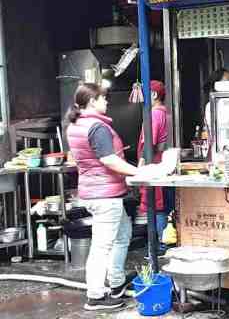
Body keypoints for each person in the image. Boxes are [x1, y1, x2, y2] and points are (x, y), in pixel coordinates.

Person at [66, 83, 139, 311]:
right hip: (105, 196)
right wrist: (140, 172)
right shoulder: (96, 127)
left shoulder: (75, 125)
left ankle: (116, 281)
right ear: (92, 101)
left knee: (123, 234)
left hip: (94, 192)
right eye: (103, 98)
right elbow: (109, 160)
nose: (106, 102)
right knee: (102, 246)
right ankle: (96, 296)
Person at [138, 80, 170, 254]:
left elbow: (150, 142)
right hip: (158, 164)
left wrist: (141, 165)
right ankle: (159, 245)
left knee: (157, 206)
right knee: (158, 205)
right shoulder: (162, 112)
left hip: (154, 165)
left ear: (154, 95)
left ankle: (159, 247)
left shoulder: (155, 114)